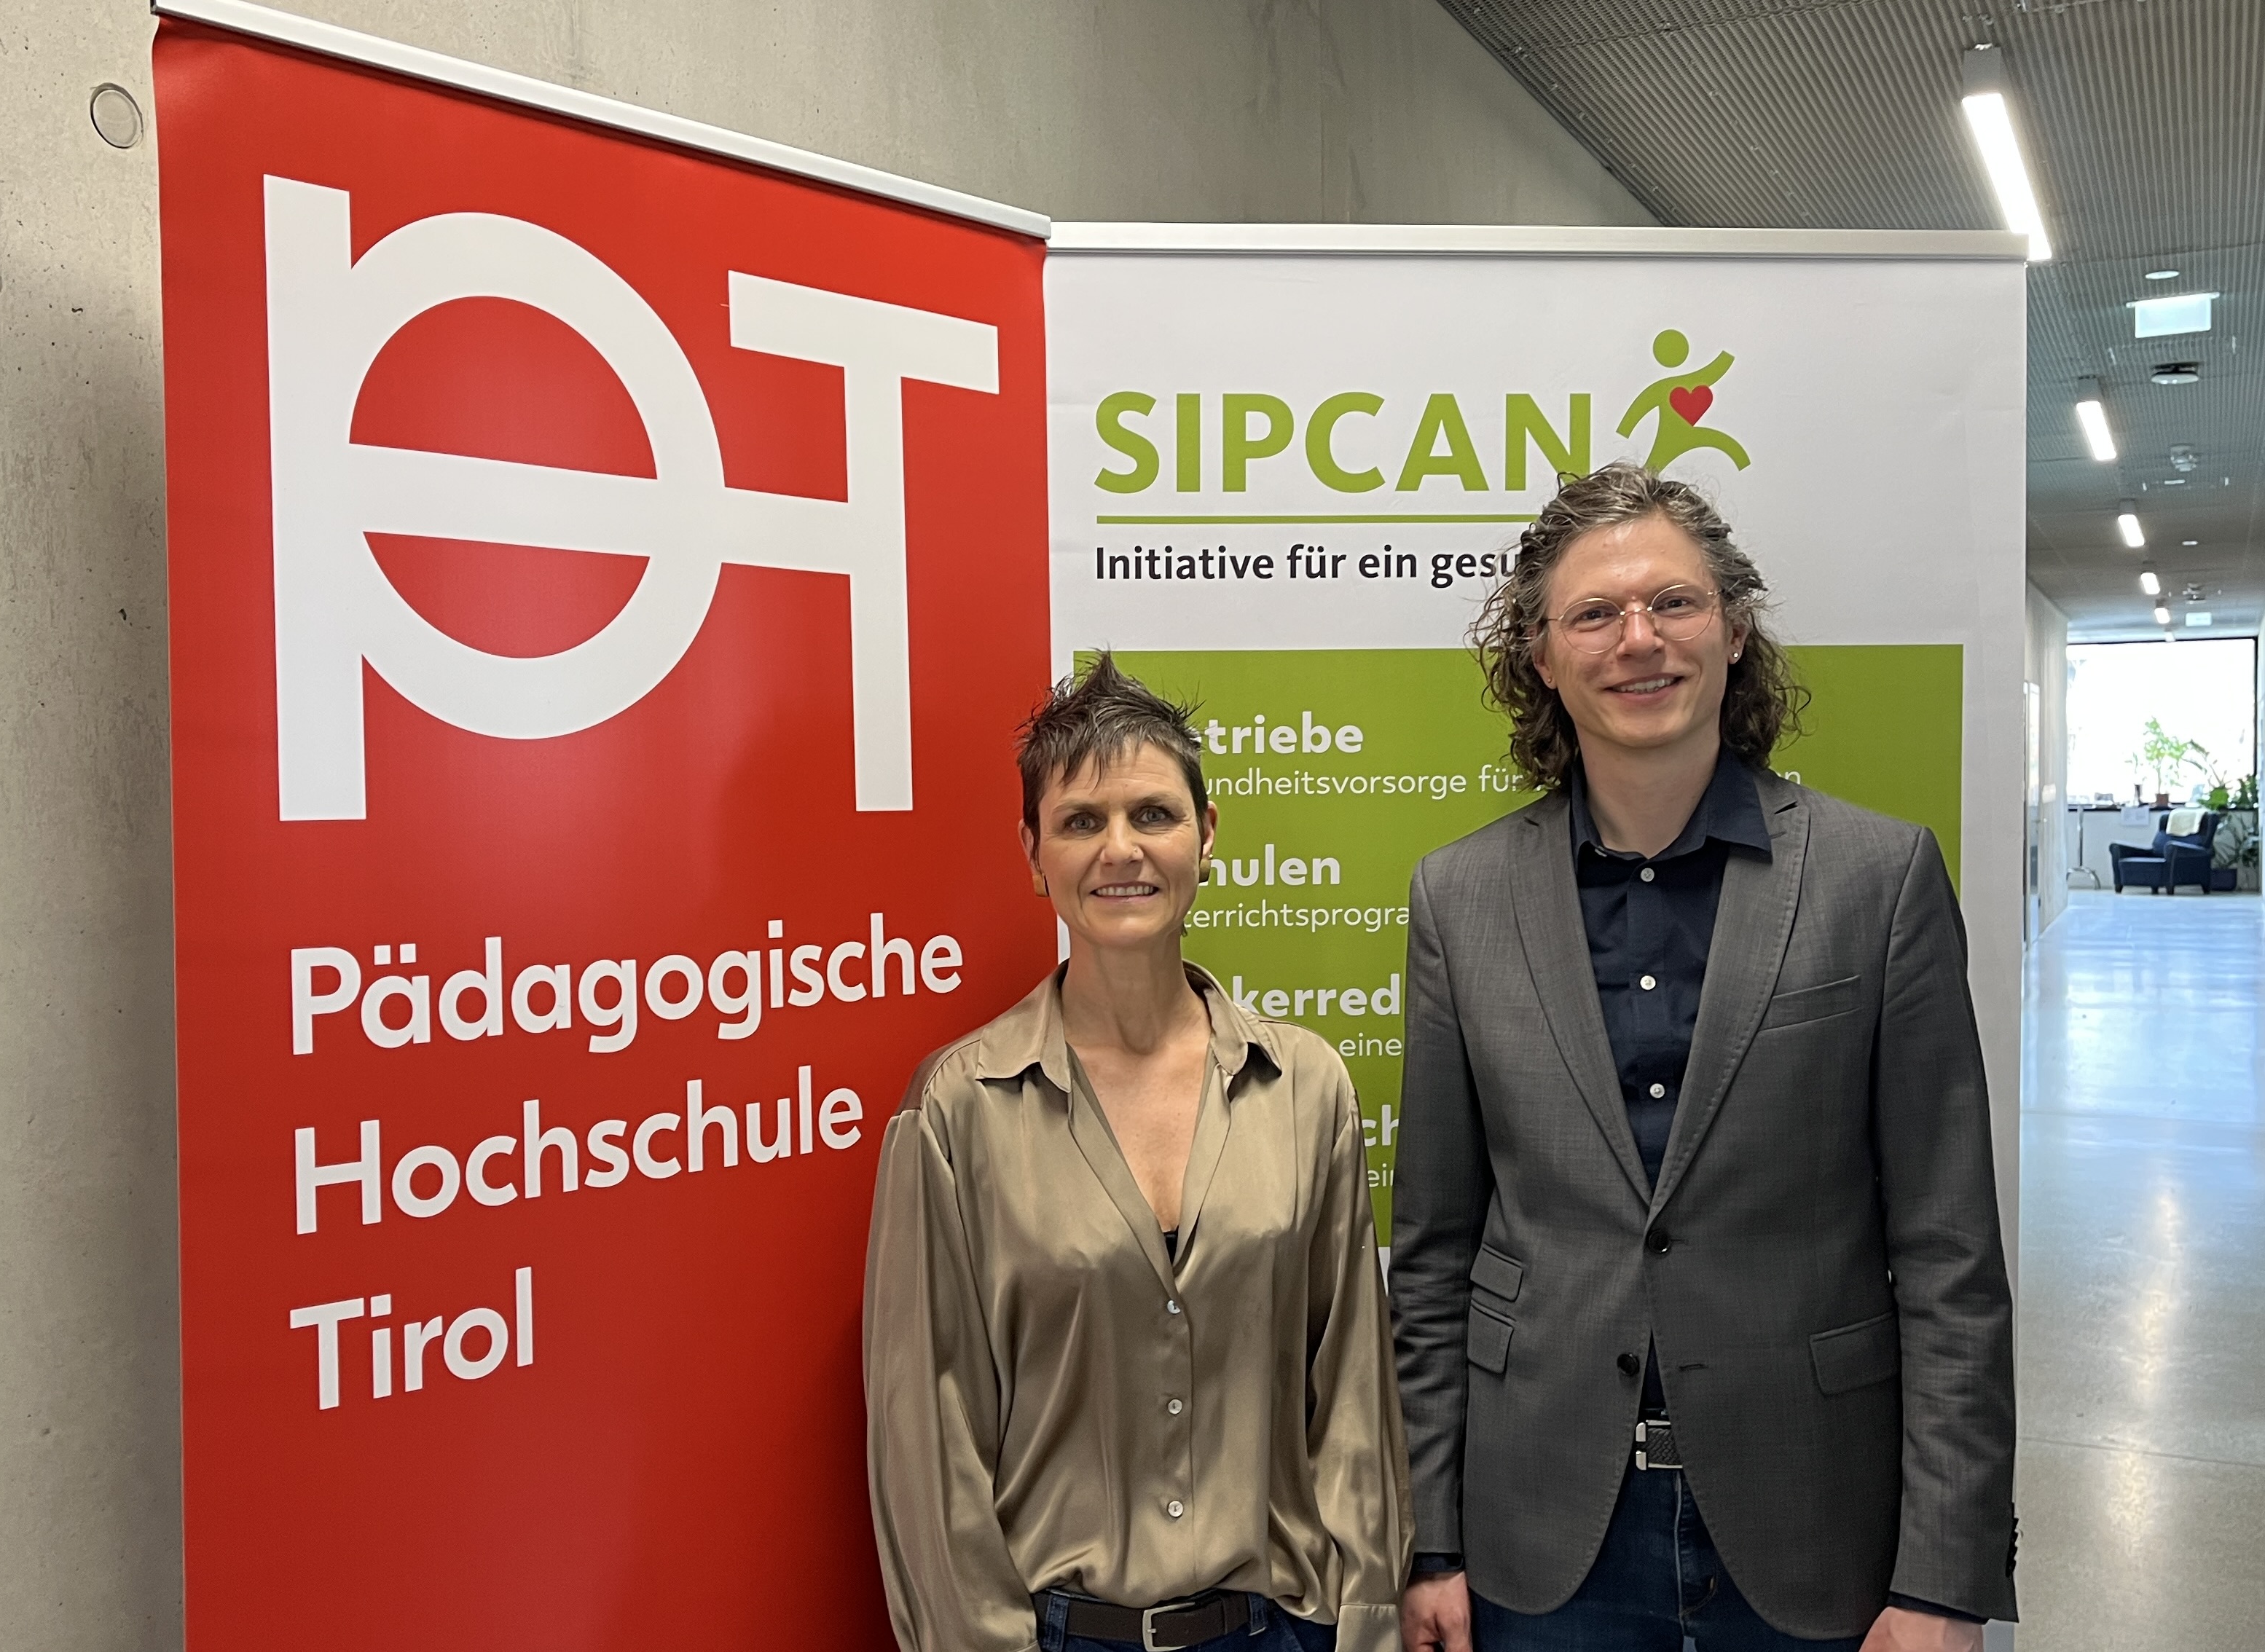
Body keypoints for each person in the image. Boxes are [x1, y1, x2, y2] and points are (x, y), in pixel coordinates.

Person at [1390, 464, 2016, 1652]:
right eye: (1594, 614)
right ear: (1541, 655)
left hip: (1814, 1525)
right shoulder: (1459, 899)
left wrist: (1944, 1578)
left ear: (1733, 630)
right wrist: (1431, 1541)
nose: (1640, 640)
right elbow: (1433, 1255)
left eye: (1673, 602)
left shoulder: (1879, 880)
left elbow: (1951, 1259)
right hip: (1542, 1537)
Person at [863, 654, 1409, 1652]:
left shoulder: (1307, 1087)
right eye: (1082, 822)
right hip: (1058, 1634)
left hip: (1279, 1630)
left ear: (1207, 834)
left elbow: (1353, 1402)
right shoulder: (958, 1109)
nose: (1122, 849)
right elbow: (927, 1443)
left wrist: (1367, 1622)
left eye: (1153, 814)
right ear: (1034, 854)